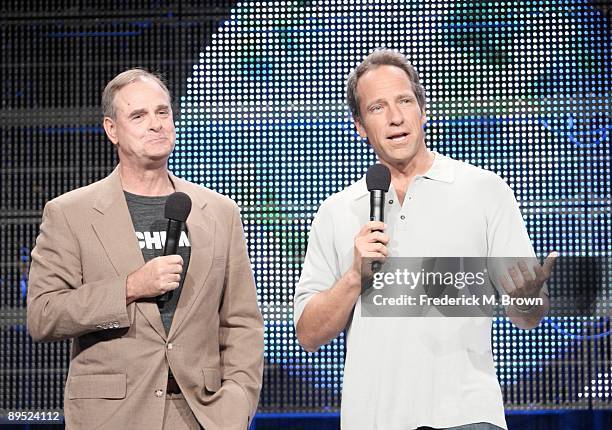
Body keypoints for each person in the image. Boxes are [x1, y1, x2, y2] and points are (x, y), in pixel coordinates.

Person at [294, 50, 556, 430]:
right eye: (378, 107)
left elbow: (527, 315)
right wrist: (353, 276)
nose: (396, 117)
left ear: (423, 110)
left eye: (404, 101)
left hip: (467, 415)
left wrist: (527, 296)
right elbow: (308, 333)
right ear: (360, 126)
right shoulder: (337, 211)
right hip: (372, 419)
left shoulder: (483, 190)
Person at [27, 69, 263, 430]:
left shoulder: (219, 212)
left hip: (203, 414)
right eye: (138, 116)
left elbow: (241, 321)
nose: (155, 124)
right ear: (112, 130)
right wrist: (130, 287)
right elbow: (44, 315)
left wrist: (237, 404)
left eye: (162, 112)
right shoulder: (70, 213)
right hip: (111, 416)